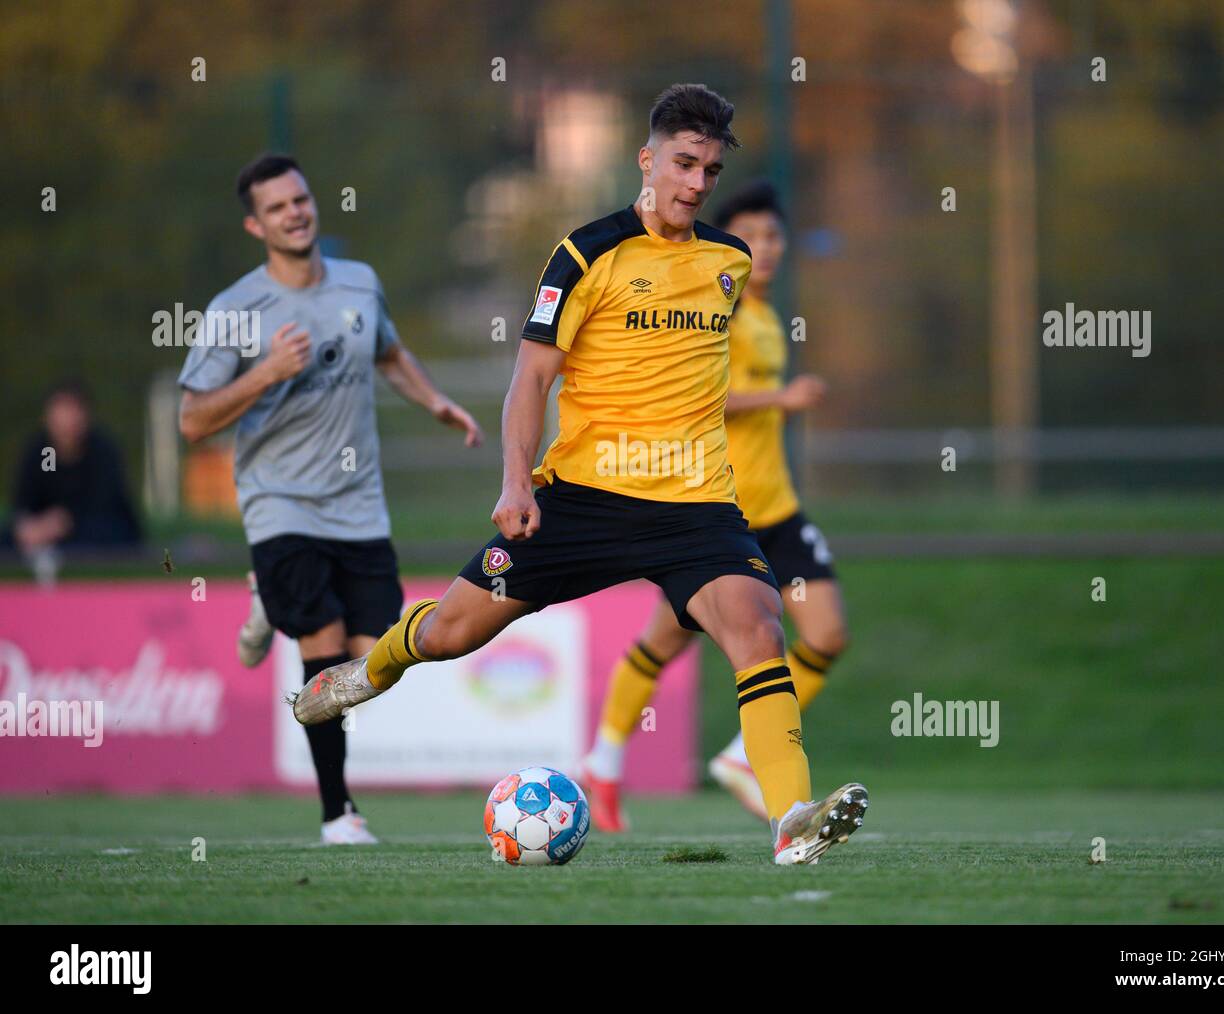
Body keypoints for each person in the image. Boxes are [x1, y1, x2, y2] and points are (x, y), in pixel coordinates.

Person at [289, 85, 867, 865]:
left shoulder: (728, 263)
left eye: (711, 171)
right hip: (583, 500)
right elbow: (530, 380)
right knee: (454, 632)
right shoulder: (585, 252)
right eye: (684, 163)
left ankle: (790, 821)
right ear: (647, 157)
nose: (696, 184)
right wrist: (516, 482)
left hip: (695, 507)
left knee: (759, 627)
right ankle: (376, 665)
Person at [177, 154, 483, 845]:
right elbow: (193, 420)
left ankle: (267, 599)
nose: (296, 213)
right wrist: (265, 374)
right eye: (278, 207)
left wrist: (436, 401)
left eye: (302, 199)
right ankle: (337, 812)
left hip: (360, 508)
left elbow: (388, 354)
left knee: (372, 660)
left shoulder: (359, 282)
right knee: (320, 646)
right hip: (282, 504)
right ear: (257, 224)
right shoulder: (236, 309)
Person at [581, 180, 849, 832]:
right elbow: (700, 396)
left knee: (827, 632)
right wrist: (780, 401)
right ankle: (604, 759)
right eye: (752, 236)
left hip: (776, 510)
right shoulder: (714, 303)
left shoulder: (765, 316)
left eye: (775, 236)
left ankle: (738, 758)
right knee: (663, 642)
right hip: (712, 512)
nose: (765, 248)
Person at [9, 380, 142, 581]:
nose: (68, 420)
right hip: (44, 538)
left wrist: (63, 524)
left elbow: (106, 508)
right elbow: (23, 505)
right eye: (61, 410)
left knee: (105, 537)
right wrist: (30, 527)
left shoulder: (103, 451)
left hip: (94, 535)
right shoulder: (38, 451)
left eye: (73, 410)